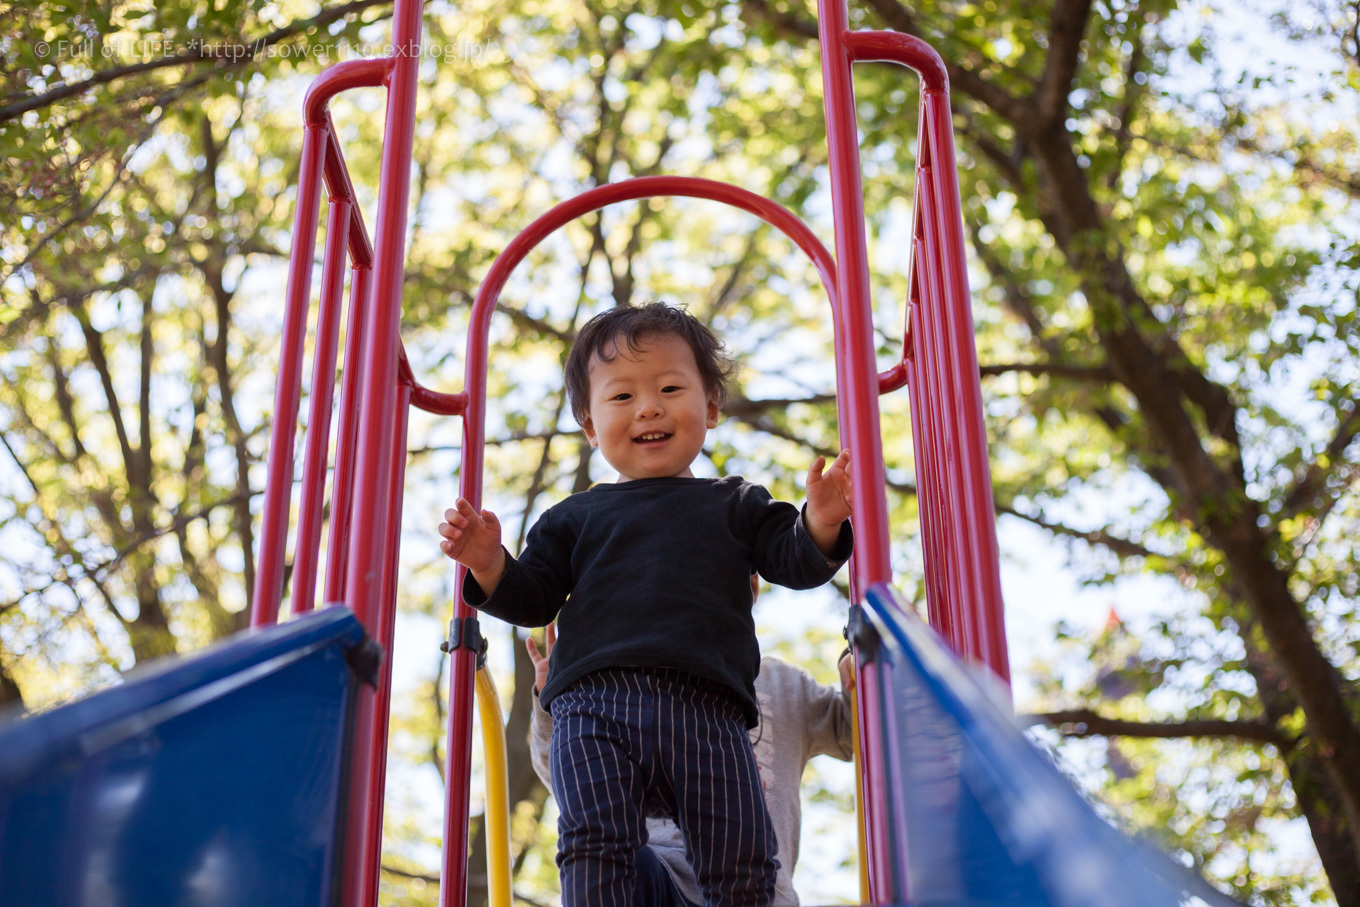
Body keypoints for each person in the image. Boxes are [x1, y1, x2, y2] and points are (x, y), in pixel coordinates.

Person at [438, 302, 853, 906]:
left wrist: (818, 521)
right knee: (595, 844)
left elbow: (792, 560)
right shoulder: (575, 517)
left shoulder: (736, 503)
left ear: (710, 406)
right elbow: (534, 597)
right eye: (622, 397)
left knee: (741, 861)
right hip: (595, 707)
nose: (649, 407)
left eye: (669, 387)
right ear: (589, 423)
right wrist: (488, 561)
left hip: (707, 709)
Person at [526, 621, 856, 906]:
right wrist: (552, 703)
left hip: (750, 882)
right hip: (659, 878)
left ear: (749, 585)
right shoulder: (629, 673)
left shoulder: (781, 682)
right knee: (606, 856)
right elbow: (572, 782)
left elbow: (850, 731)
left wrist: (858, 677)